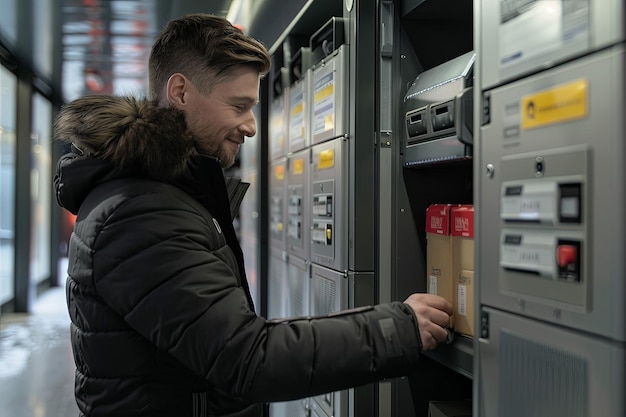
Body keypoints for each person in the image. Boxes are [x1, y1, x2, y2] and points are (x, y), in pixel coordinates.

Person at [53, 13, 453, 417]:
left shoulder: (153, 194)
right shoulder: (141, 212)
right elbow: (246, 358)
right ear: (180, 92)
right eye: (238, 106)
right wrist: (398, 329)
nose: (251, 127)